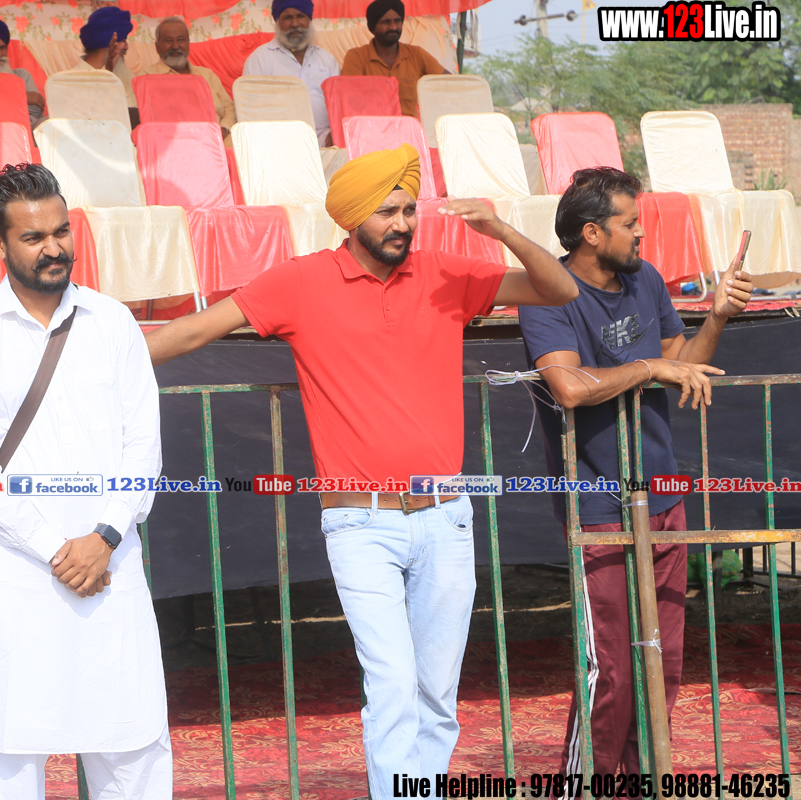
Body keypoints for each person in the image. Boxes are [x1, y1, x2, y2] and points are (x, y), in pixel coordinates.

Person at [145, 144, 578, 794]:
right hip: (359, 524)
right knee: (393, 687)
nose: (401, 223)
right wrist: (94, 365)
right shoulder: (298, 281)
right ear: (350, 218)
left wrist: (501, 231)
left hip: (447, 518)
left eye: (408, 209)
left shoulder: (446, 273)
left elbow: (560, 289)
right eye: (386, 212)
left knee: (436, 696)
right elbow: (192, 332)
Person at [0, 163, 170, 800]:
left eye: (61, 232)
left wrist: (103, 538)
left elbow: (142, 448)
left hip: (112, 567)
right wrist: (57, 551)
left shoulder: (113, 322)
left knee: (132, 746)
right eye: (34, 237)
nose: (54, 248)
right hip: (18, 573)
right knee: (13, 746)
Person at [517, 167, 752, 778]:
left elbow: (682, 366)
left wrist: (717, 317)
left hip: (662, 492)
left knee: (662, 658)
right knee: (613, 666)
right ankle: (588, 784)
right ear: (592, 233)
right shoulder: (546, 295)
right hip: (597, 501)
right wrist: (650, 368)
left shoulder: (644, 278)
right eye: (630, 224)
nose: (641, 234)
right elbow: (569, 387)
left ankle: (642, 779)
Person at [241, 0, 340, 146]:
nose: (294, 24)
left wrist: (335, 134)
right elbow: (248, 111)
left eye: (300, 16)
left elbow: (339, 106)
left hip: (325, 141)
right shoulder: (260, 59)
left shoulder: (327, 59)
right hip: (277, 142)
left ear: (309, 19)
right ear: (277, 22)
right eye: (287, 18)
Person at [340, 0, 448, 118]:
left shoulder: (416, 54)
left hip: (408, 127)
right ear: (373, 27)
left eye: (397, 21)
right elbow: (348, 101)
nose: (393, 27)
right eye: (386, 22)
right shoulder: (356, 57)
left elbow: (451, 83)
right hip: (371, 126)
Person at [136, 16, 236, 140]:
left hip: (217, 140)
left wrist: (223, 129)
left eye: (181, 40)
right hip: (171, 142)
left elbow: (229, 108)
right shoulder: (146, 78)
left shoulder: (207, 75)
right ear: (157, 46)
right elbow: (142, 119)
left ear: (188, 43)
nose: (175, 46)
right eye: (168, 41)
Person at [72, 6, 138, 110]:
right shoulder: (70, 81)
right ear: (108, 43)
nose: (126, 47)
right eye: (123, 40)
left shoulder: (126, 74)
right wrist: (107, 73)